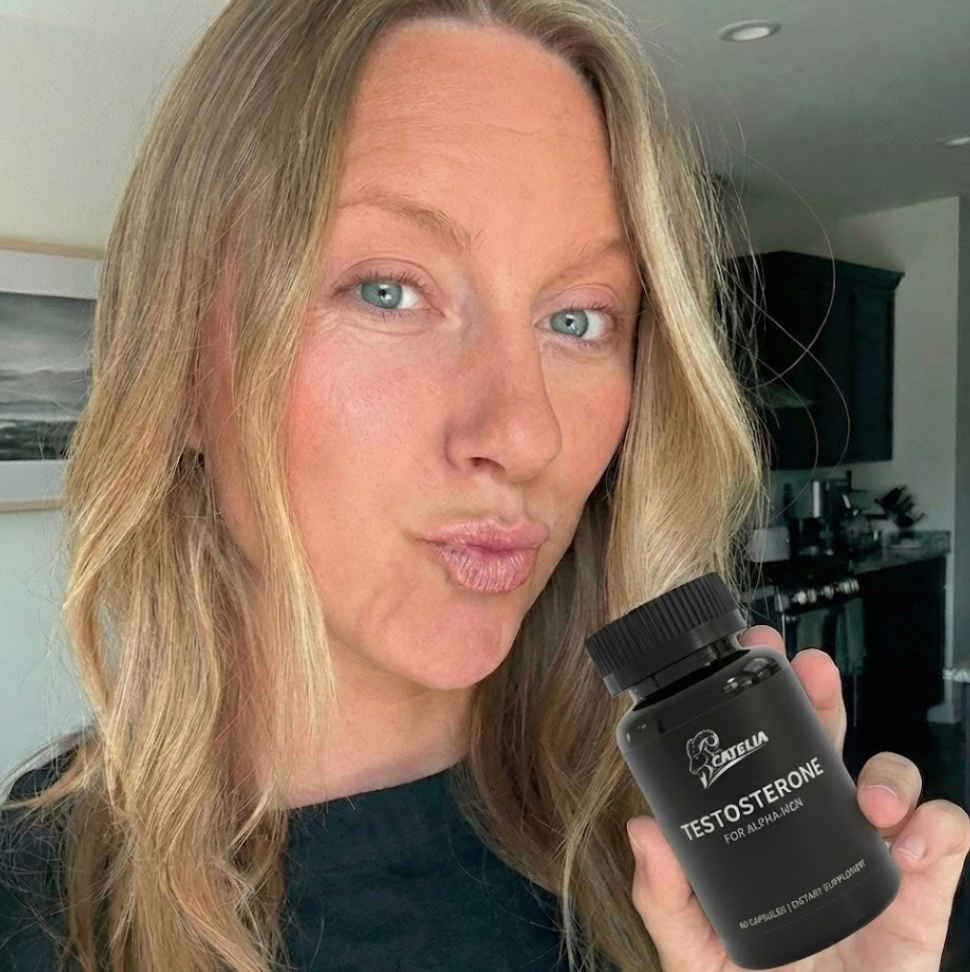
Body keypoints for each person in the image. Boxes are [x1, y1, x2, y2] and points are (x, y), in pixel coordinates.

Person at [1, 0, 968, 970]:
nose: (525, 433)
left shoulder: (708, 858)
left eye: (580, 319)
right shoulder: (33, 908)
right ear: (179, 360)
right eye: (387, 290)